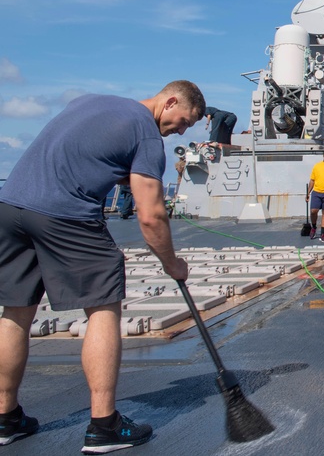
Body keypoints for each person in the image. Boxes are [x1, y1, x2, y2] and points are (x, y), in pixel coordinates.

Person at [0, 80, 204, 452]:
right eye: (183, 121)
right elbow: (151, 217)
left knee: (16, 309)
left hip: (10, 206)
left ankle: (5, 418)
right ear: (170, 100)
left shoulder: (92, 101)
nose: (181, 130)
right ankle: (104, 425)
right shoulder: (146, 135)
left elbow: (86, 155)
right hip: (64, 214)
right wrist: (173, 264)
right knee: (103, 306)